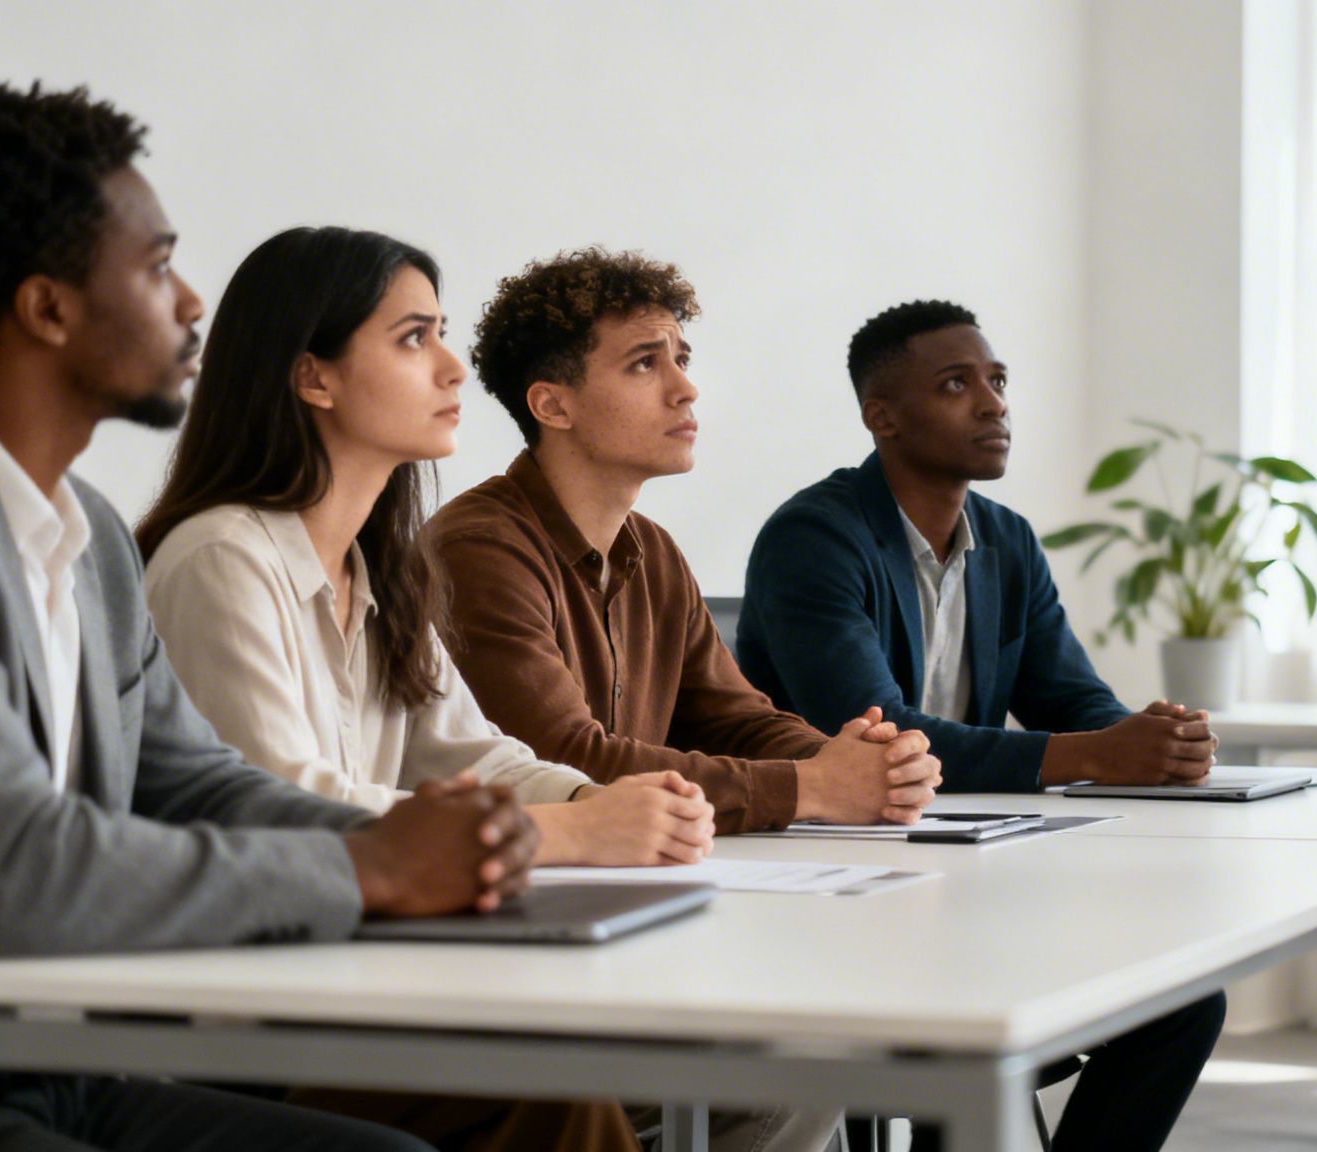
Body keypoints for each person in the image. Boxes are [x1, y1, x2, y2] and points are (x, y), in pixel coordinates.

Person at [0, 83, 533, 1152]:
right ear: (47, 309)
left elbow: (189, 780)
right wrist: (369, 870)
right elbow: (15, 872)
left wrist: (418, 845)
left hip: (56, 1065)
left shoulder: (87, 532)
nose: (193, 303)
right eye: (155, 268)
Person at [734, 300, 1226, 1152]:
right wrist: (1100, 752)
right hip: (836, 878)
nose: (994, 403)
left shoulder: (1006, 539)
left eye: (997, 381)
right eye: (957, 384)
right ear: (881, 416)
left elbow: (1072, 700)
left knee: (1183, 1003)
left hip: (968, 868)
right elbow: (882, 734)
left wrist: (1153, 738)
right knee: (972, 1033)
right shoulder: (815, 537)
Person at [138, 226, 715, 870]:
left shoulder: (381, 571)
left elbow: (471, 756)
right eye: (415, 338)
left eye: (441, 333)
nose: (454, 367)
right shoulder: (221, 558)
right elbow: (281, 807)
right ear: (314, 378)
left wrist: (595, 799)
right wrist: (572, 832)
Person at [426, 247, 942, 837]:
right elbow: (563, 760)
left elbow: (739, 721)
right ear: (552, 405)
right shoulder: (477, 549)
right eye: (645, 364)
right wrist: (814, 787)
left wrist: (859, 760)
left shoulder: (654, 551)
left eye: (681, 359)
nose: (686, 388)